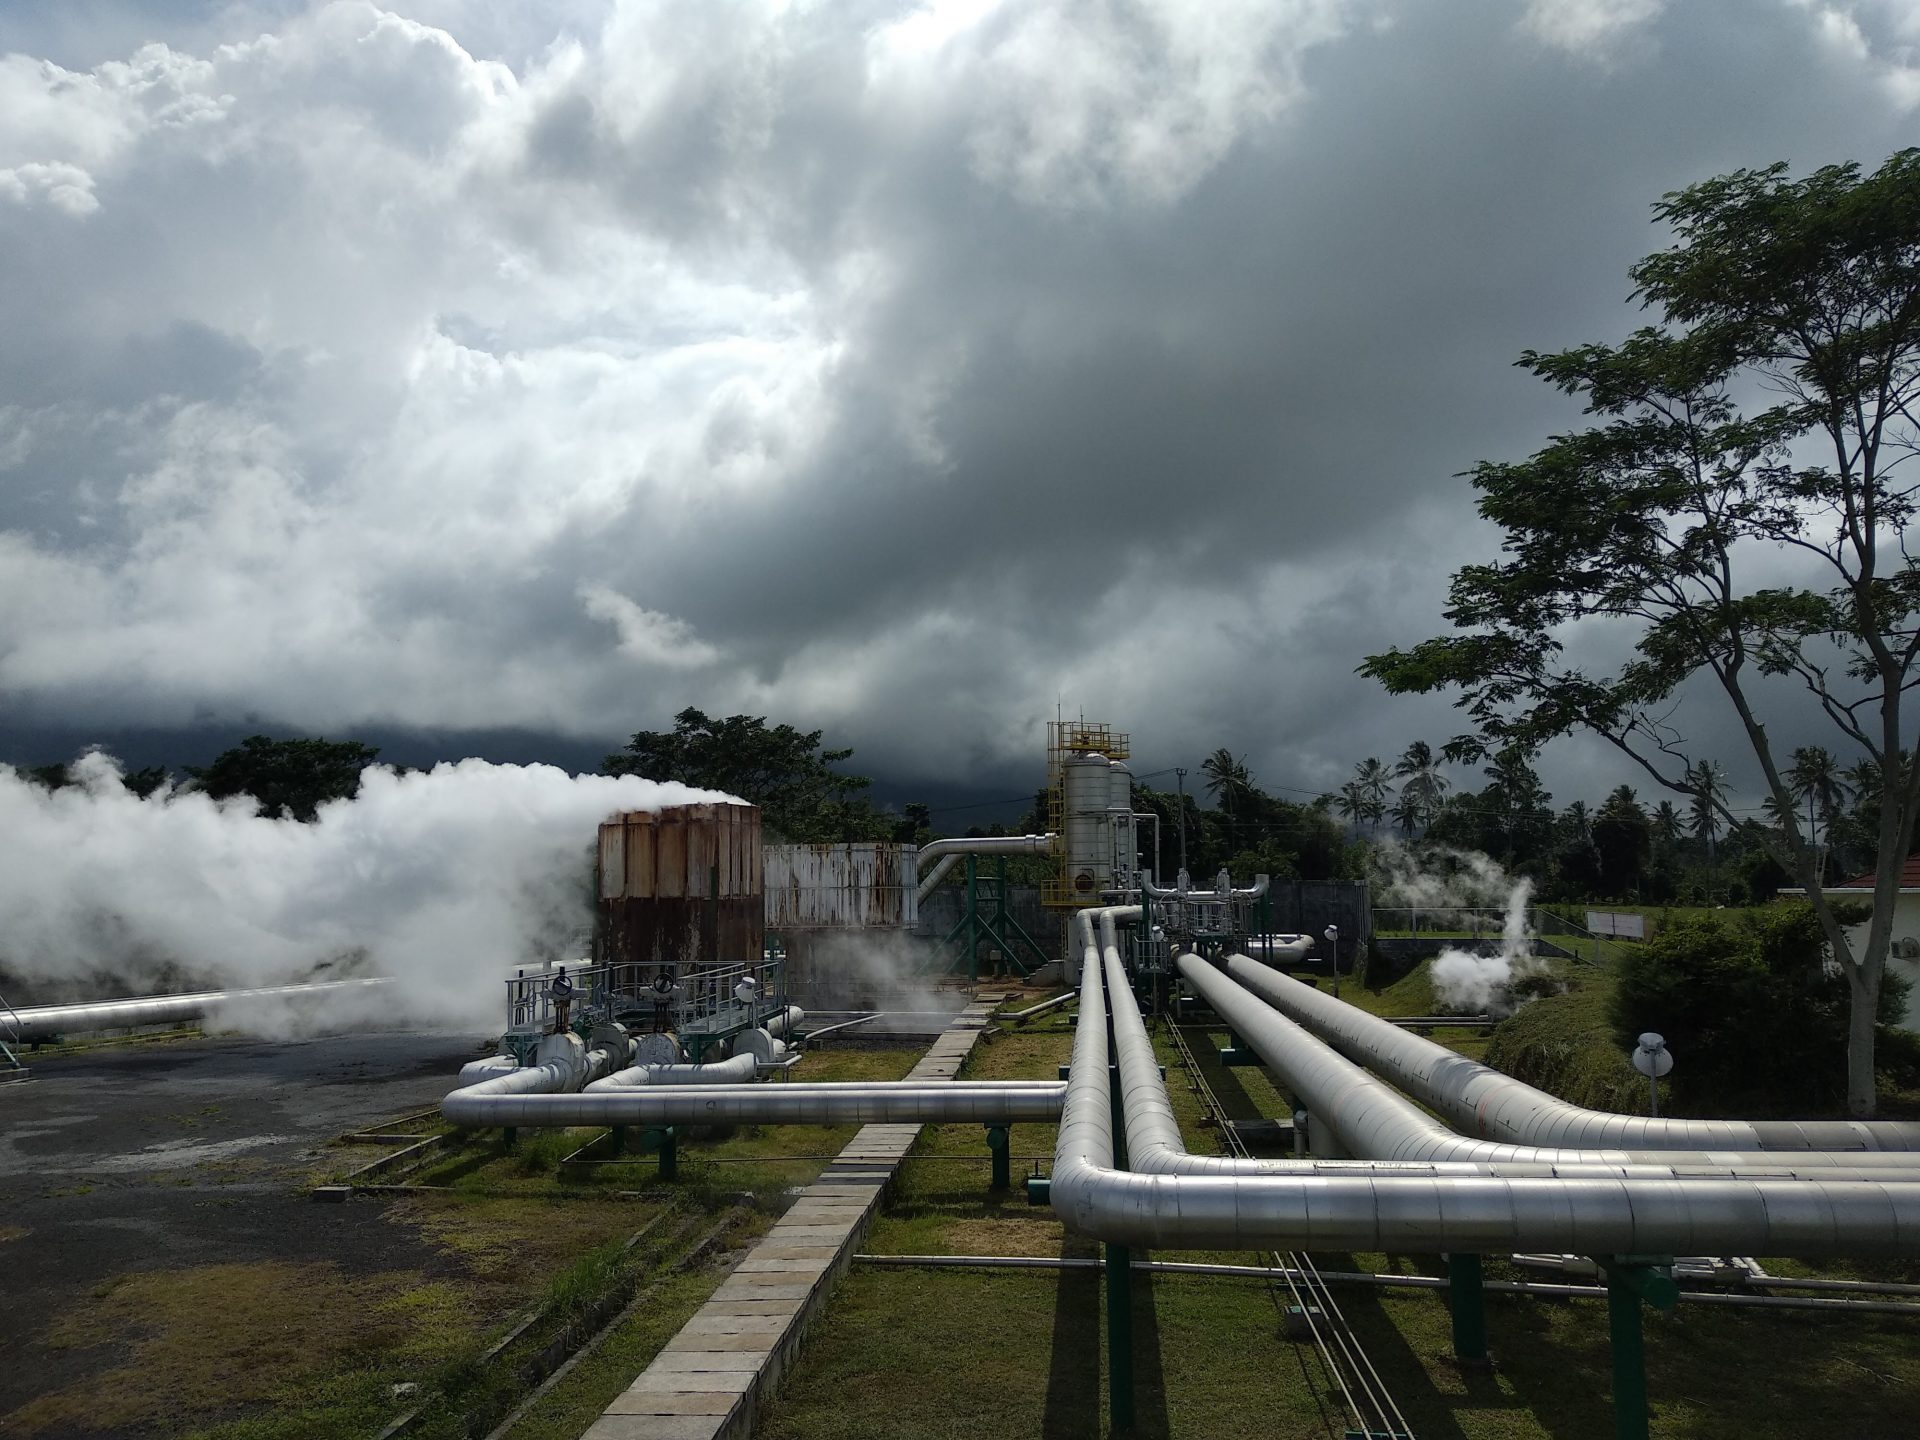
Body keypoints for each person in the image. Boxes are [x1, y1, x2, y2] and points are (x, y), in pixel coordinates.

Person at [549, 965, 576, 1034]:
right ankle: (563, 1027)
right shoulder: (565, 990)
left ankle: (561, 1026)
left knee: (560, 1010)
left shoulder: (557, 988)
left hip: (562, 1001)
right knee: (563, 1010)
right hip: (563, 1002)